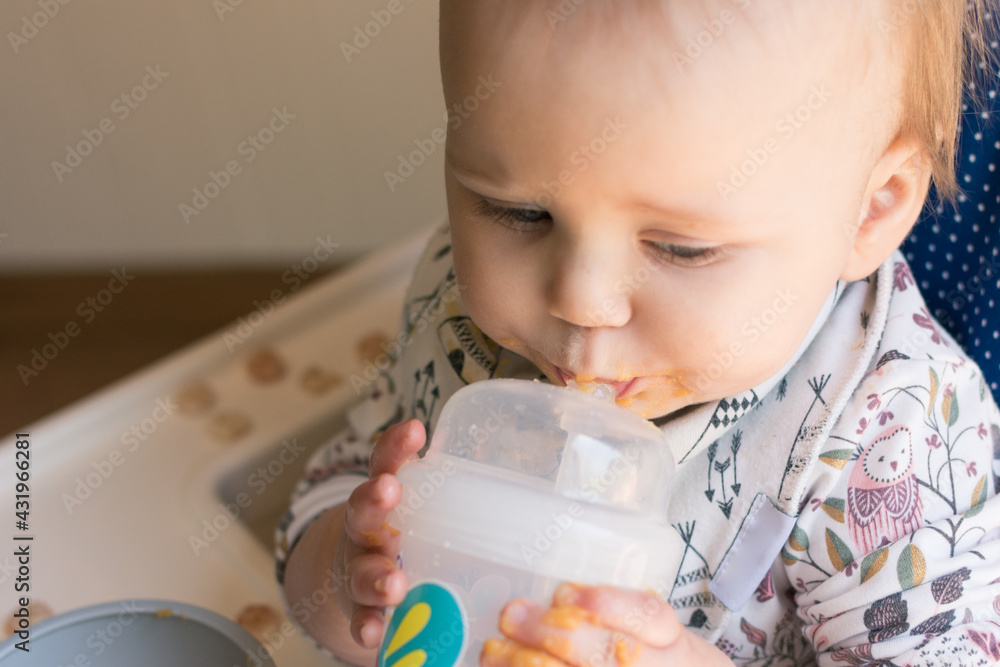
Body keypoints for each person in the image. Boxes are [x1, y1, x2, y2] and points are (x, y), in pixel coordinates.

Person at [277, 1, 1000, 665]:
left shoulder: (893, 438)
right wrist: (347, 575)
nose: (580, 301)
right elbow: (330, 496)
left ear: (871, 210)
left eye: (681, 248)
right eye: (519, 214)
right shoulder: (461, 314)